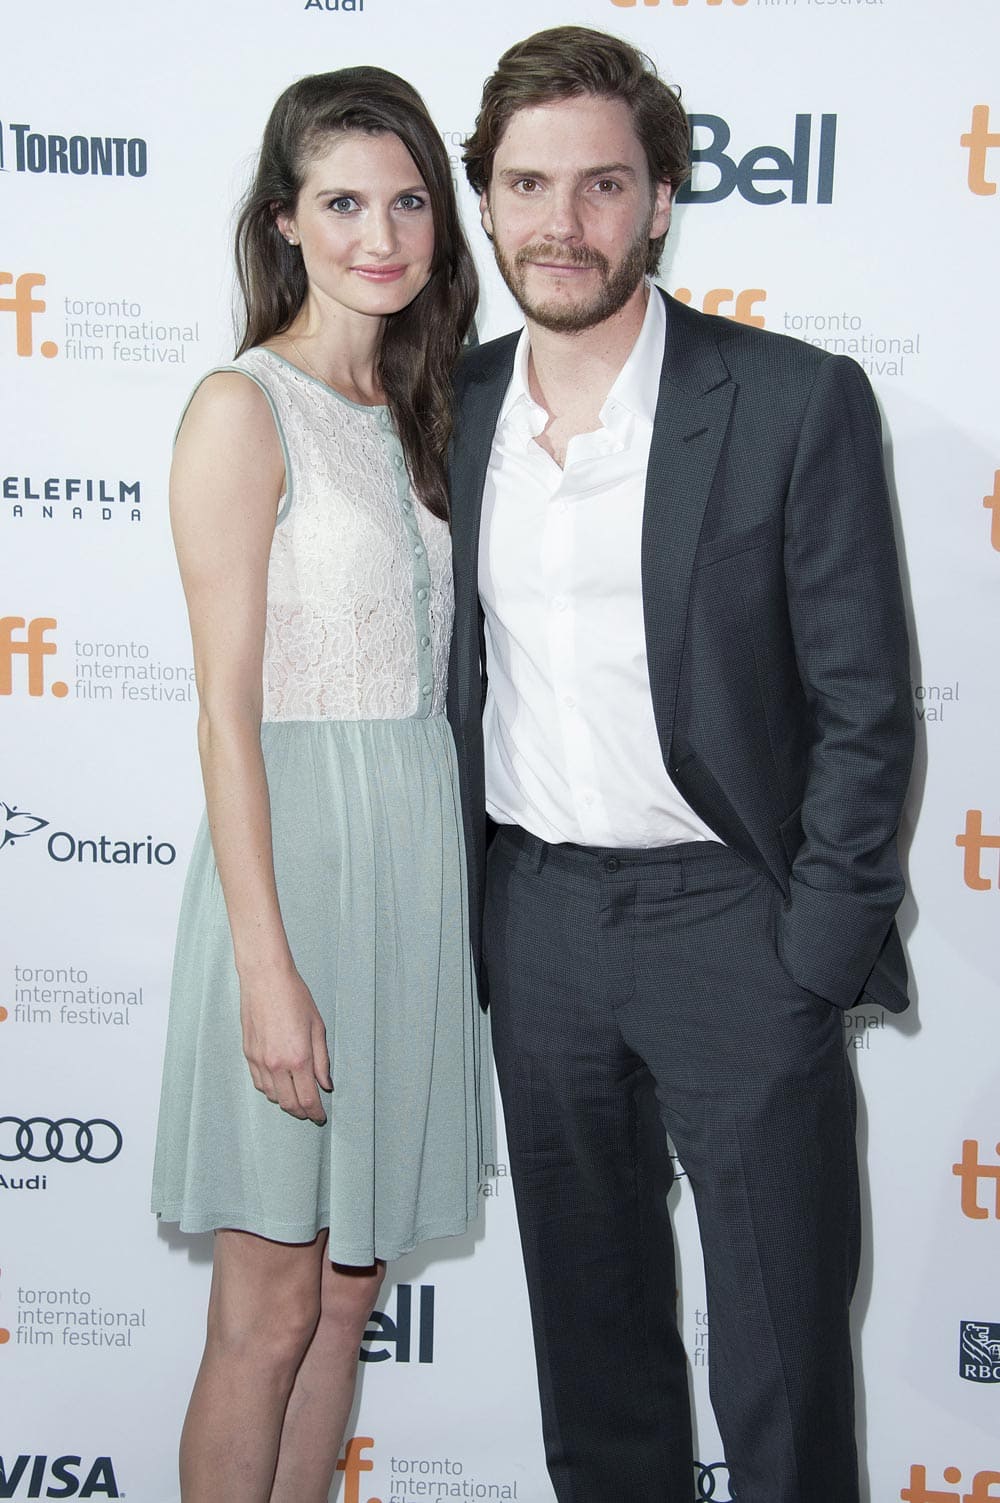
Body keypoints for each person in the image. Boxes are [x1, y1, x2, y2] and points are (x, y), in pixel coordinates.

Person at [447, 26, 913, 1503]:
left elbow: (866, 703)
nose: (560, 224)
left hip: (737, 930)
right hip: (539, 929)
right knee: (593, 1349)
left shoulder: (788, 399)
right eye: (528, 185)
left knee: (779, 1355)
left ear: (659, 201)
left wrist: (813, 949)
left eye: (600, 187)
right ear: (488, 201)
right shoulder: (446, 411)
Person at [151, 67, 491, 1503]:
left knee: (347, 1299)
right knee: (269, 1310)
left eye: (409, 200)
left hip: (411, 881)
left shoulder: (434, 413)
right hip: (291, 884)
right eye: (344, 201)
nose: (382, 232)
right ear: (284, 220)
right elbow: (228, 718)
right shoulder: (244, 405)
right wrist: (267, 973)